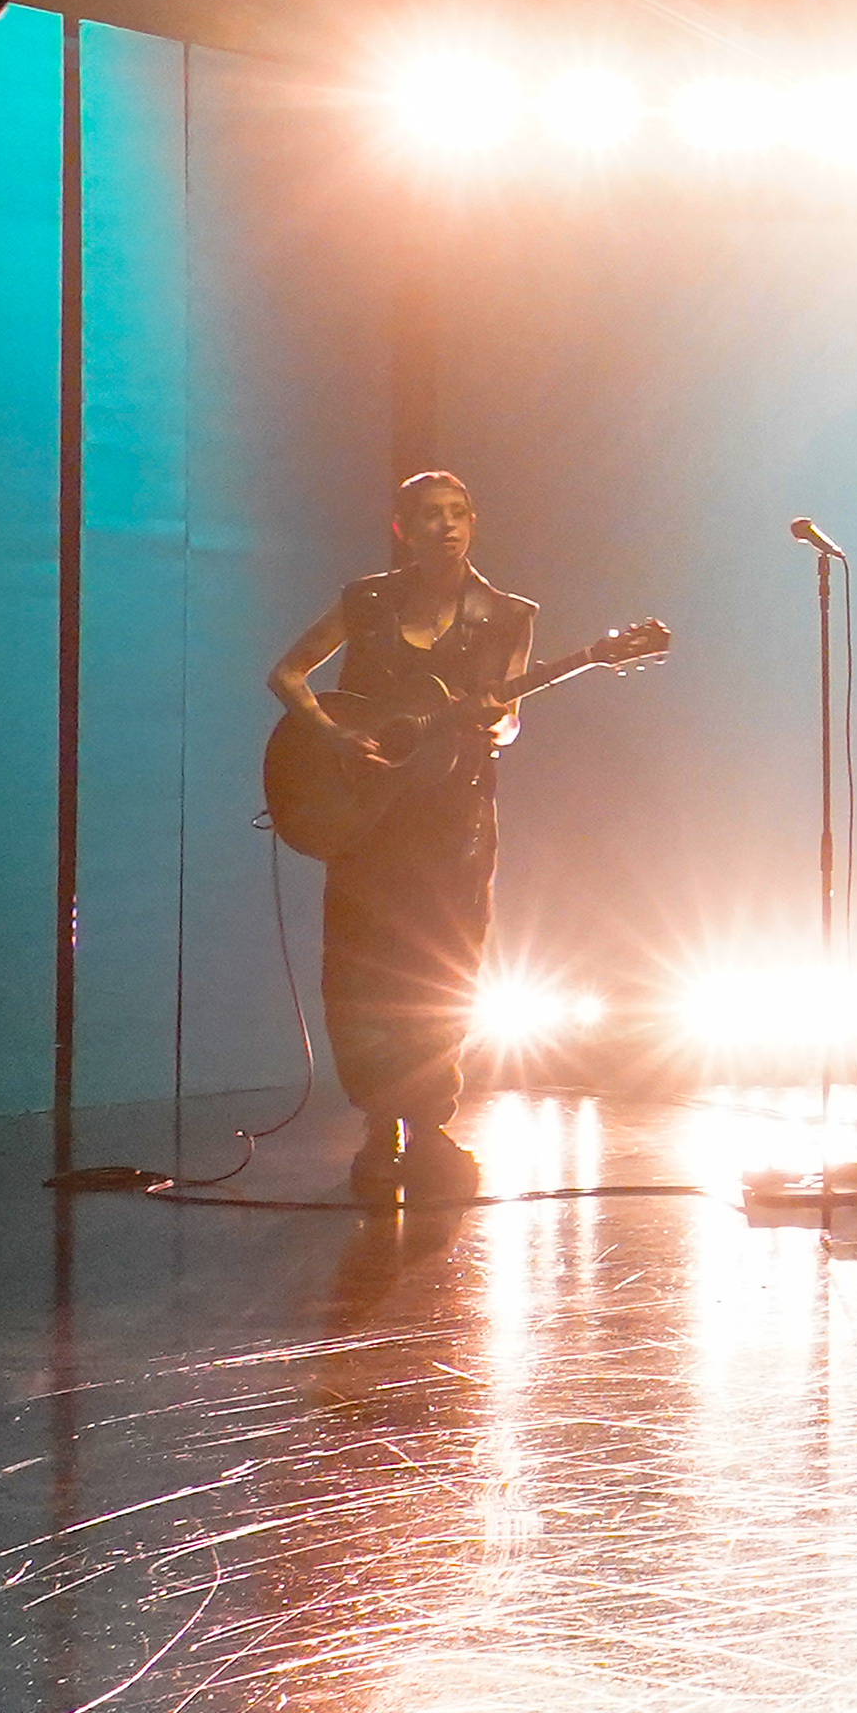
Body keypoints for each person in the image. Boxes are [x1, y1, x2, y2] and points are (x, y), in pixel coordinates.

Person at [263, 471, 536, 1209]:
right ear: (402, 529)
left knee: (442, 969)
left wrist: (495, 723)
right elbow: (288, 671)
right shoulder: (368, 600)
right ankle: (380, 1121)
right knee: (360, 969)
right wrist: (335, 735)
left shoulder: (506, 614)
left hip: (453, 822)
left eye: (457, 513)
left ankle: (428, 1124)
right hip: (367, 813)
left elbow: (508, 715)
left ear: (473, 522)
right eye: (429, 516)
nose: (445, 527)